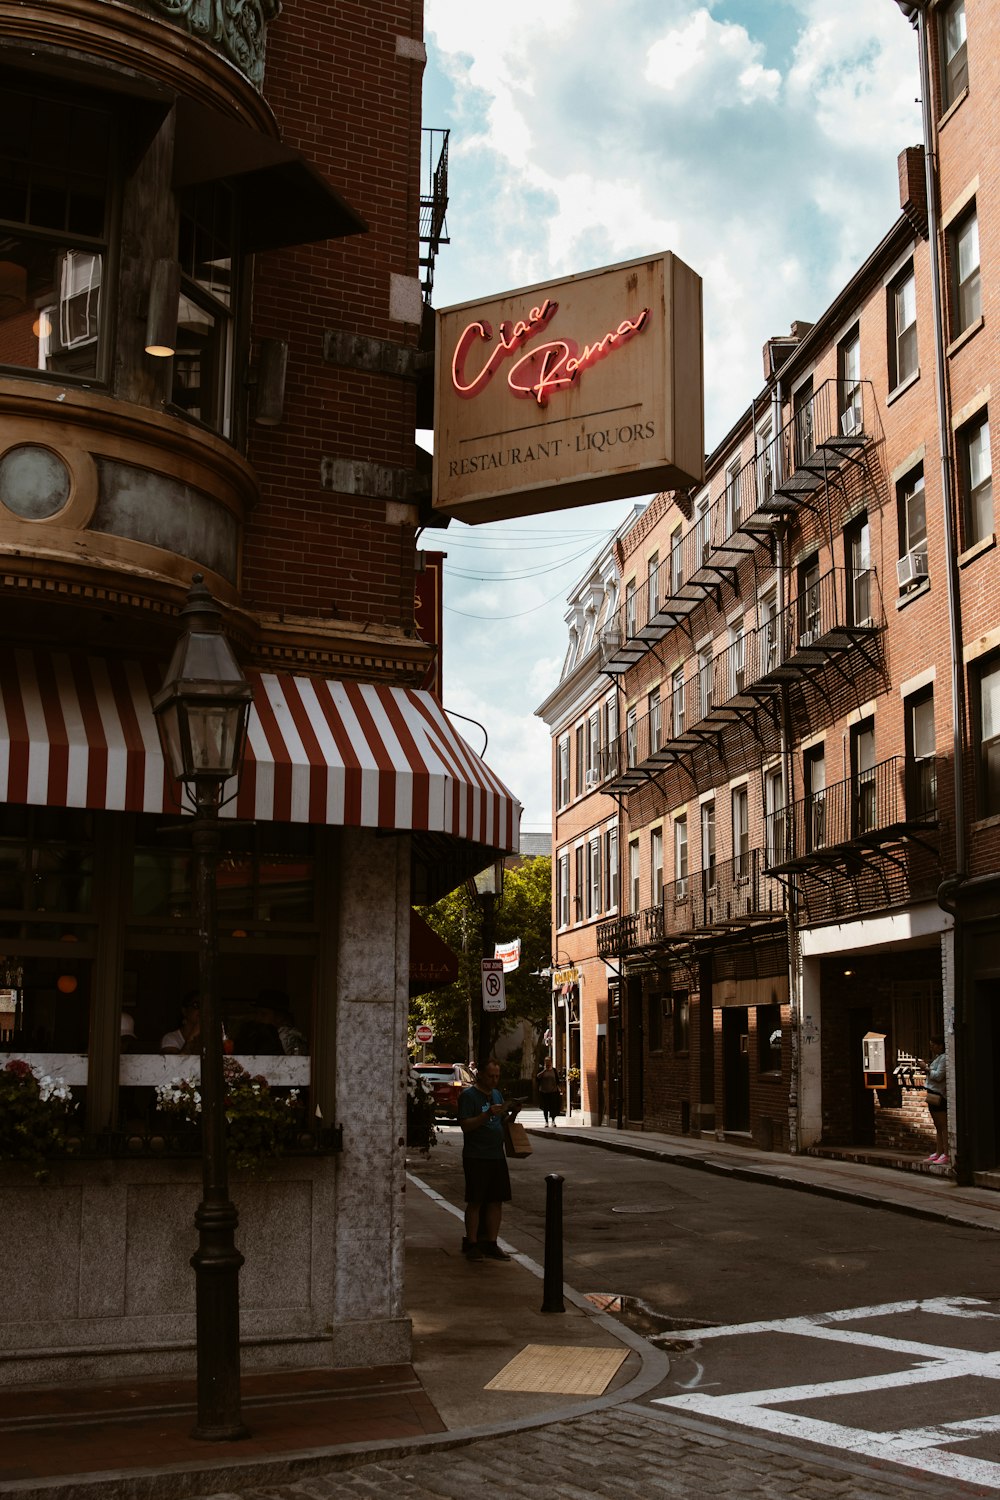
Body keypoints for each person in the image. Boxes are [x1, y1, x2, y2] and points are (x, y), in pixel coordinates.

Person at [458, 1058, 518, 1262]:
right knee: (475, 1200)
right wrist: (486, 1115)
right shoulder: (468, 1096)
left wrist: (514, 1113)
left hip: (496, 1155)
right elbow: (466, 1125)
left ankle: (491, 1242)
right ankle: (472, 1242)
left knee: (496, 1200)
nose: (494, 1080)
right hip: (476, 1155)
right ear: (480, 1074)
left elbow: (502, 1122)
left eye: (497, 1076)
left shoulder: (497, 1094)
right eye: (491, 1076)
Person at [924, 1035, 948, 1165]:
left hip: (938, 1094)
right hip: (932, 1093)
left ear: (940, 1045)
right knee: (937, 1125)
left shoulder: (944, 1058)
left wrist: (926, 1069)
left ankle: (946, 1153)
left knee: (943, 1125)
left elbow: (938, 1076)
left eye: (933, 1045)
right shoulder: (937, 1058)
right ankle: (939, 1151)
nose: (931, 1047)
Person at [536, 1055, 561, 1127]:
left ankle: (553, 1121)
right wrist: (544, 1070)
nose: (547, 1063)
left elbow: (557, 1080)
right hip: (544, 1092)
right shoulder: (541, 1070)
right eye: (546, 1062)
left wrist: (558, 1088)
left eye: (549, 1062)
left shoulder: (554, 1070)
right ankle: (546, 1121)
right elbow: (537, 1077)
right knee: (545, 1107)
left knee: (553, 1107)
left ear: (551, 1062)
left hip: (553, 1091)